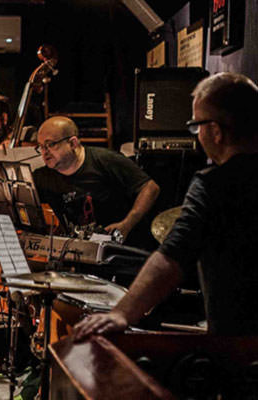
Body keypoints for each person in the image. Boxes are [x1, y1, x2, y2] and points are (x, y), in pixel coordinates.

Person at [73, 72, 258, 338]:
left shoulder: (214, 184)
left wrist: (121, 313)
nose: (197, 136)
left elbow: (173, 257)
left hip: (240, 348)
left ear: (216, 131)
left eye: (197, 126)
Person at [0, 116, 160, 248]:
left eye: (51, 144)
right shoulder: (43, 177)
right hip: (82, 253)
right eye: (41, 146)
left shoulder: (105, 160)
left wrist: (127, 223)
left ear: (74, 142)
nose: (44, 152)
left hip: (126, 248)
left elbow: (150, 187)